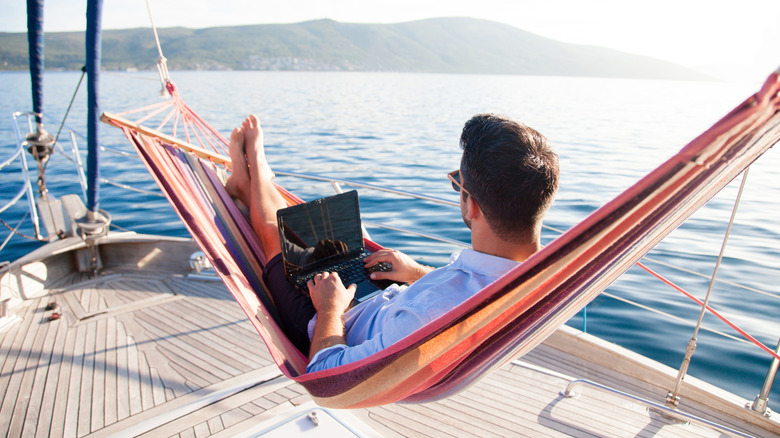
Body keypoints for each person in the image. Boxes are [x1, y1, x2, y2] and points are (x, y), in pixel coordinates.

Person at [224, 113, 559, 373]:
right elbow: (465, 292)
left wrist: (330, 308)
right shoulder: (545, 277)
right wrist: (414, 272)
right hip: (388, 299)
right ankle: (254, 181)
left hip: (335, 325)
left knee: (276, 239)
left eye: (458, 184)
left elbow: (327, 371)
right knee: (307, 239)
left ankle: (255, 174)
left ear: (471, 206)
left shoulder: (427, 315)